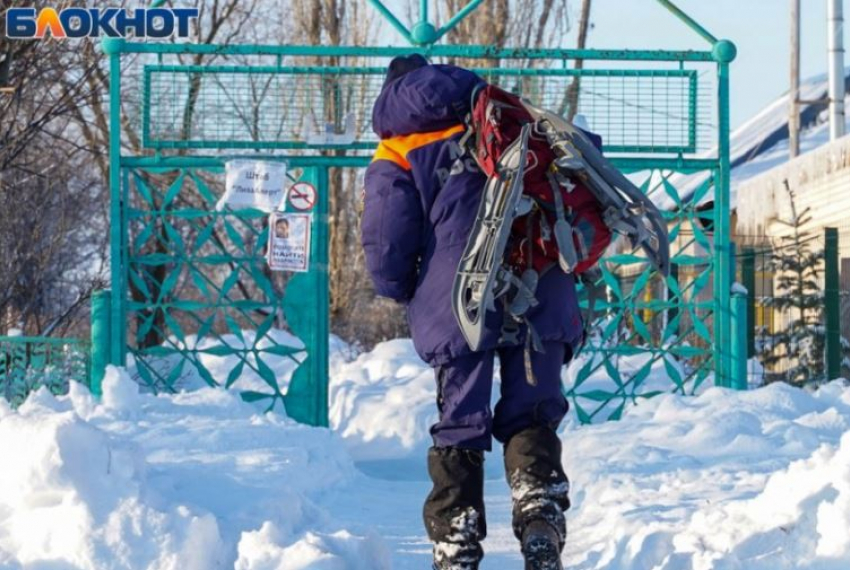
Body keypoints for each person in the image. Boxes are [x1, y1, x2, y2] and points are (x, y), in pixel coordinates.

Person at [361, 55, 583, 570]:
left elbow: (386, 238)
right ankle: (540, 515)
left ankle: (456, 541)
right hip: (540, 284)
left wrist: (399, 289)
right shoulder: (507, 116)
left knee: (461, 419)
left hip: (458, 297)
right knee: (533, 411)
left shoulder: (397, 145)